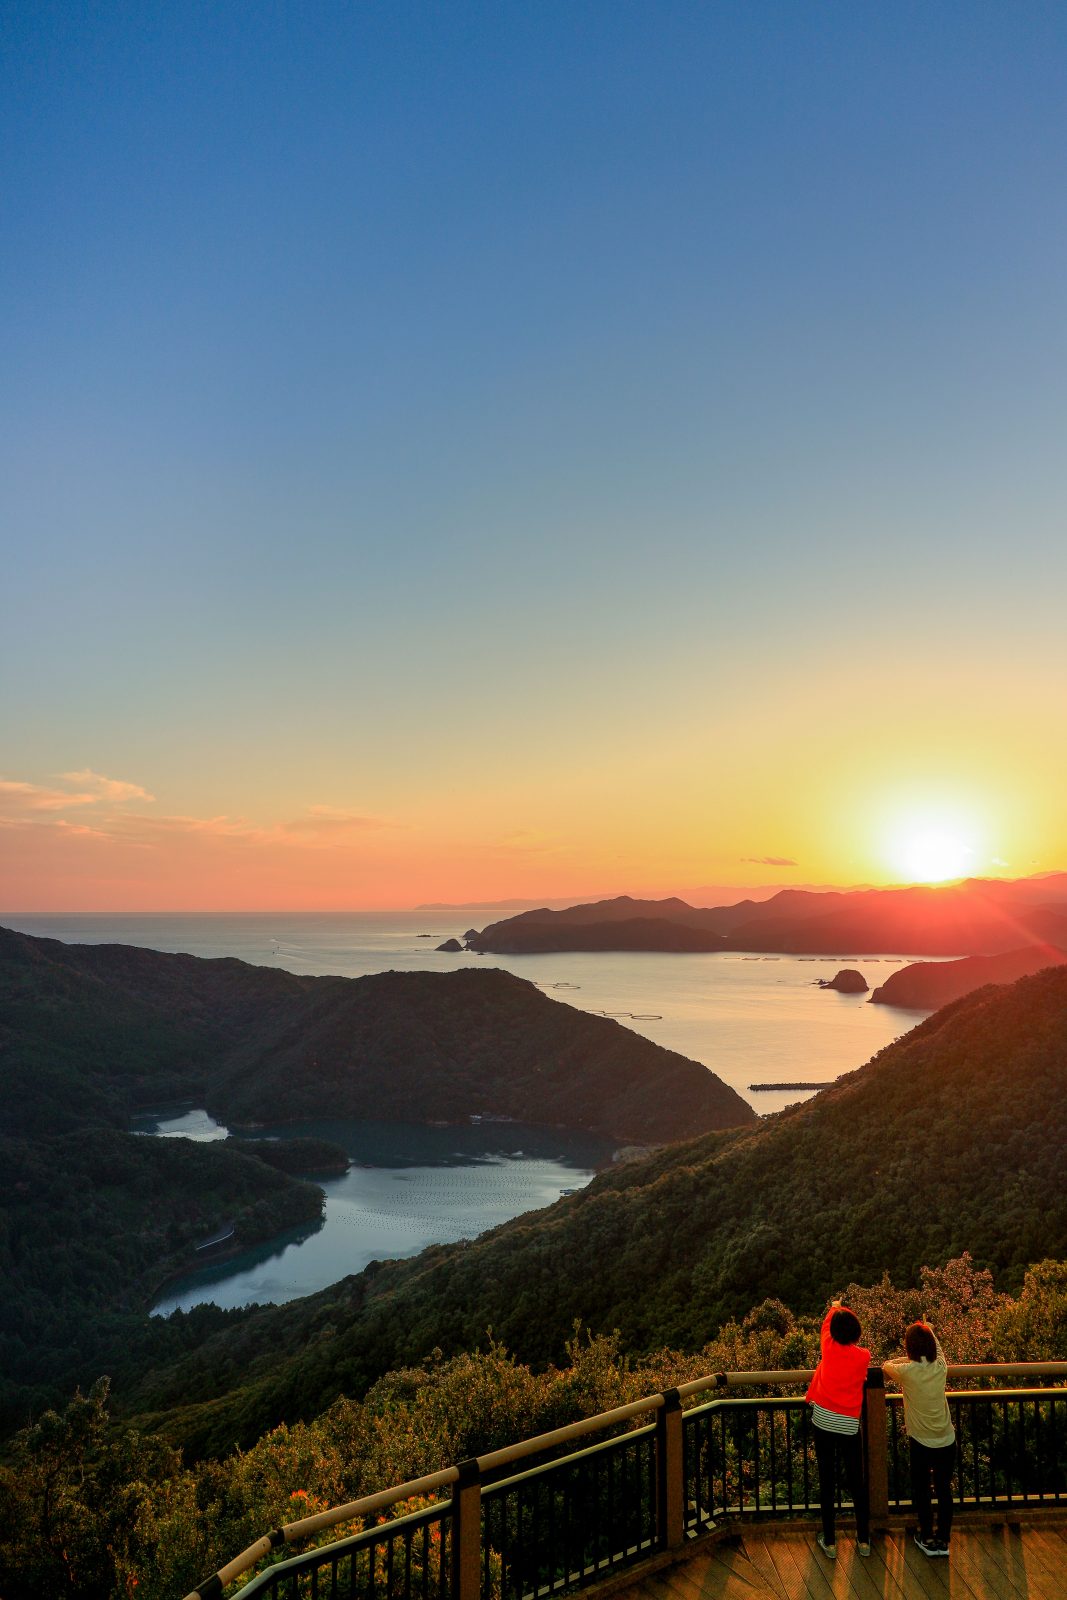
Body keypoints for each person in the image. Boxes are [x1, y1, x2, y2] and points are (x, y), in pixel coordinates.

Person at [806, 1298, 872, 1560]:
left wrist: (834, 1307)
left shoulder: (827, 1347)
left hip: (823, 1420)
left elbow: (825, 1326)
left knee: (827, 1480)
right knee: (857, 1481)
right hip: (848, 1424)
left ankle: (830, 1542)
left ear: (832, 1333)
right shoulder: (863, 1357)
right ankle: (864, 1540)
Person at [883, 1321, 955, 1558]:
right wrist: (930, 1328)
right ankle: (943, 1540)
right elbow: (939, 1350)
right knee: (944, 1490)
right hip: (946, 1438)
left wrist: (905, 1359)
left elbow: (886, 1365)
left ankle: (926, 1536)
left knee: (922, 1489)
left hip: (921, 1441)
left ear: (909, 1348)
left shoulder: (907, 1372)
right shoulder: (940, 1367)